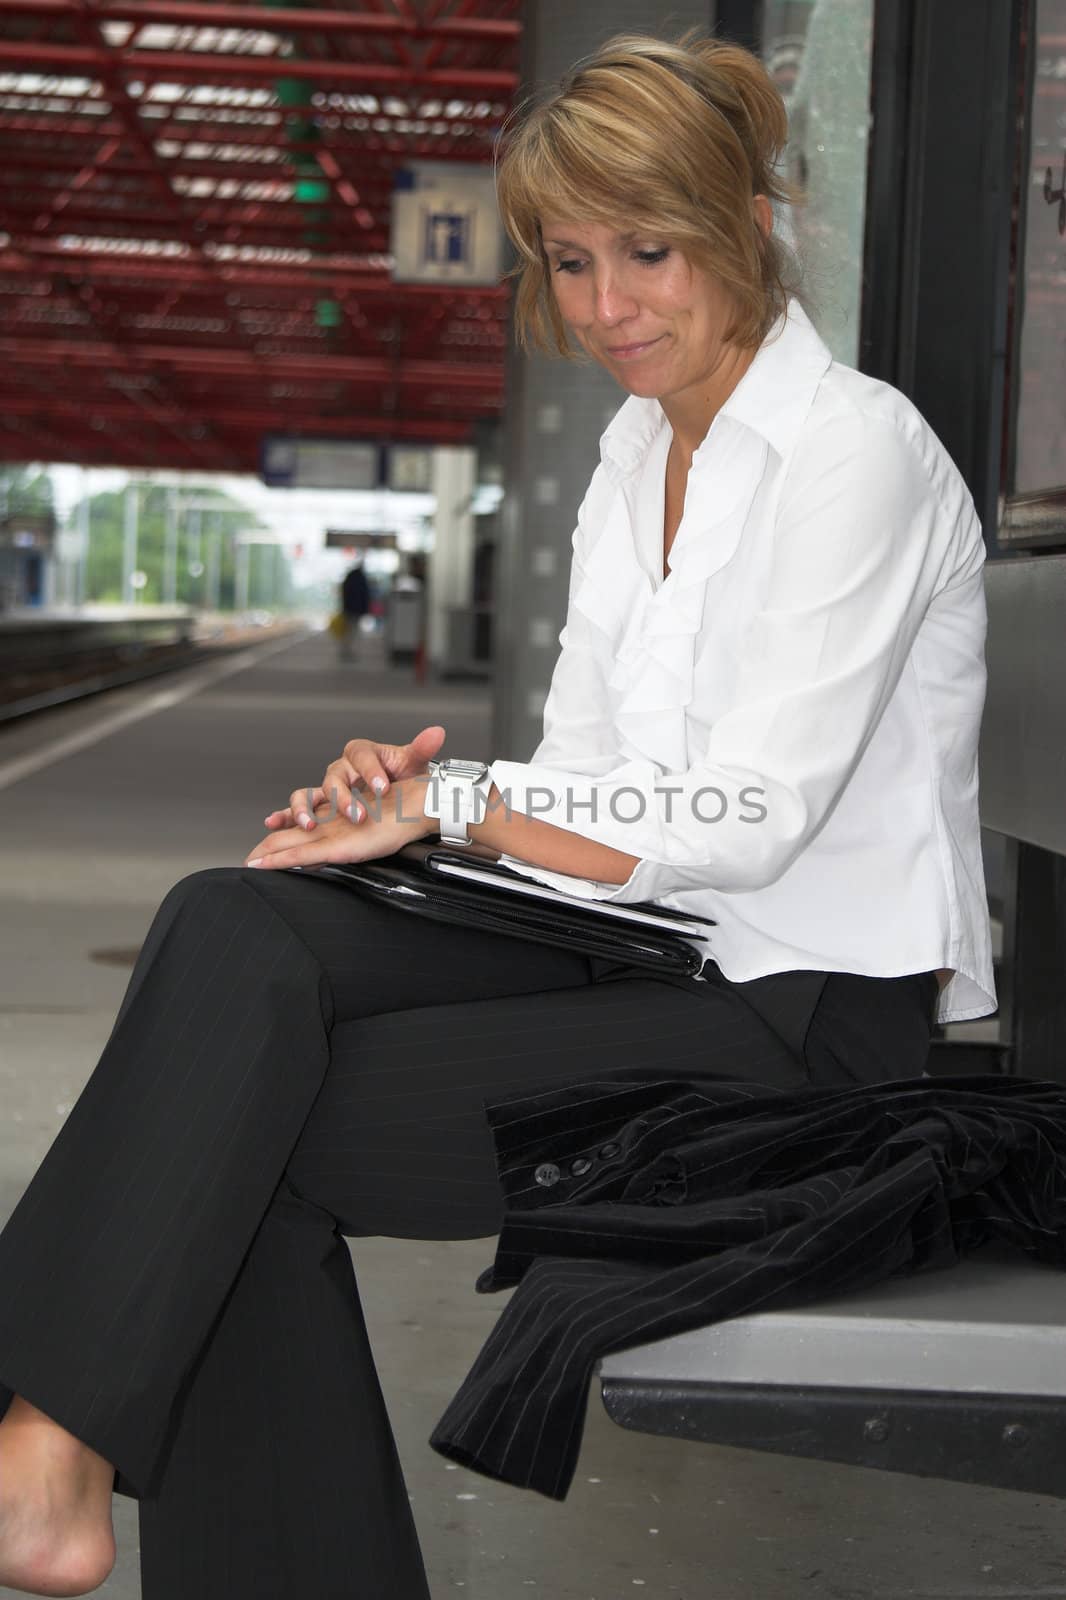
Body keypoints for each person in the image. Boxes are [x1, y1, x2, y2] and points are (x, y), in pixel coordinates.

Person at [0, 29, 995, 1600]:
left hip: (803, 1032)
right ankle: (50, 1462)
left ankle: (44, 1447)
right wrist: (419, 813)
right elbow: (596, 766)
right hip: (636, 955)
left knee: (234, 1144)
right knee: (230, 919)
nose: (606, 310)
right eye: (570, 262)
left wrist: (465, 799)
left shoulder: (850, 451)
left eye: (646, 252)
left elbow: (742, 821)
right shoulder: (628, 452)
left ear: (748, 219)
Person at [337, 556, 371, 662]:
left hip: (348, 609)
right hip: (357, 610)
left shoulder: (349, 577)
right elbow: (365, 596)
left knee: (348, 630)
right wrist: (365, 609)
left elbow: (344, 593)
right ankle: (350, 650)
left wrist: (344, 607)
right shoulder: (362, 578)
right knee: (354, 630)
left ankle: (346, 649)